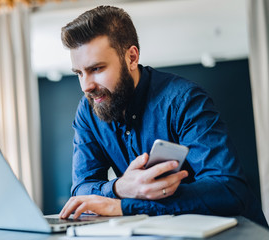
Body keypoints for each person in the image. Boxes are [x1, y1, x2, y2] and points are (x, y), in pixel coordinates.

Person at [58, 5, 267, 227]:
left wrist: (124, 205)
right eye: (79, 73)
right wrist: (120, 188)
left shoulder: (183, 99)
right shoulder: (88, 110)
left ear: (131, 57)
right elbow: (81, 188)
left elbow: (228, 189)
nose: (86, 86)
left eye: (97, 69)